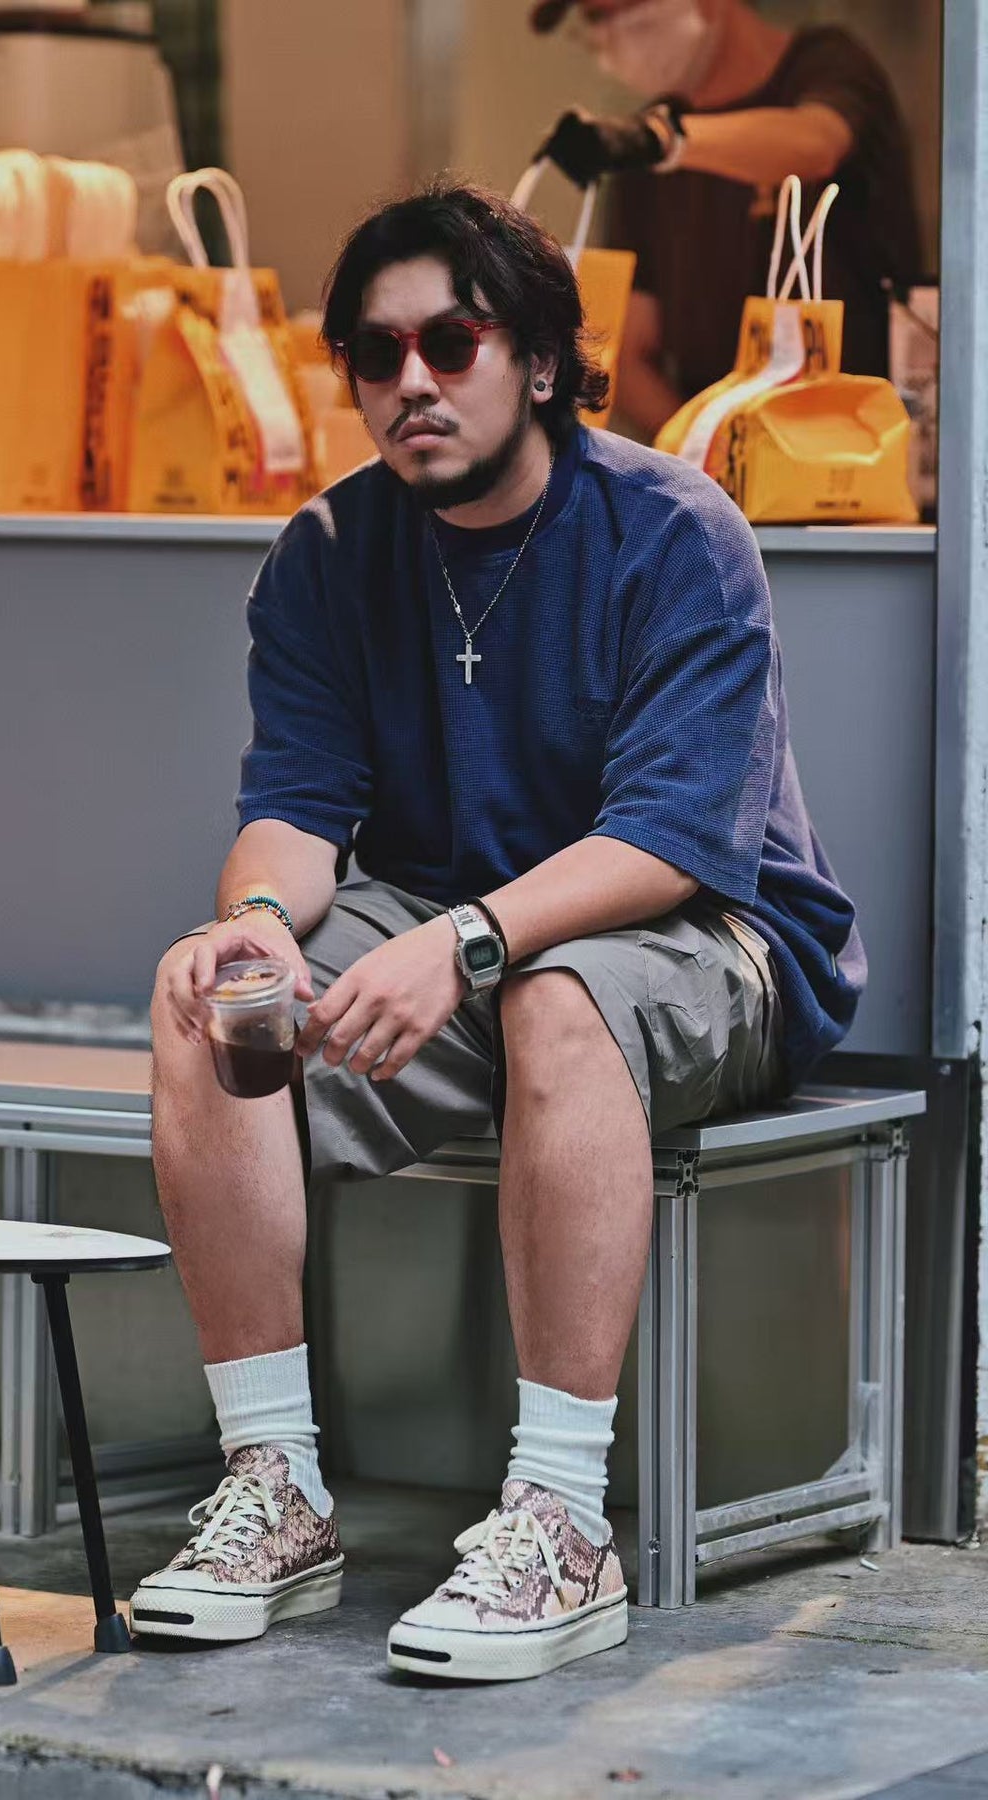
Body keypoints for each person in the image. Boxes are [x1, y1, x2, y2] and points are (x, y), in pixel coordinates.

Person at [130, 182, 865, 1683]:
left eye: (451, 343)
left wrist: (468, 941)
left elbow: (668, 842)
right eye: (376, 352)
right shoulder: (330, 551)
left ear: (535, 359)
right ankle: (276, 1488)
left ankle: (561, 1520)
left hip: (713, 938)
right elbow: (296, 808)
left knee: (559, 999)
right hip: (458, 936)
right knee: (213, 998)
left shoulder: (673, 532)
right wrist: (254, 920)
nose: (412, 381)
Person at [530, 0, 922, 439]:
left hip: (854, 446)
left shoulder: (825, 67)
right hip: (715, 456)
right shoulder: (644, 153)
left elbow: (817, 143)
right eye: (593, 20)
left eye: (621, 10)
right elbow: (628, 350)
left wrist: (663, 142)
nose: (609, 36)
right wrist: (704, 455)